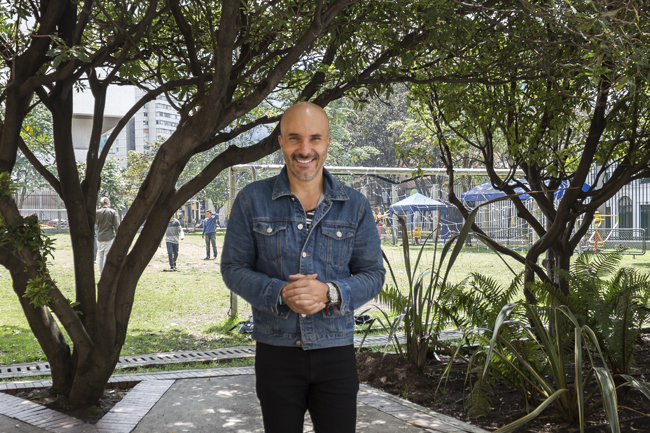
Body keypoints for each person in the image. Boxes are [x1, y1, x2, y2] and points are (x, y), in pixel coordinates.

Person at [221, 102, 385, 433]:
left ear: (327, 142)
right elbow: (233, 268)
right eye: (295, 138)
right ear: (281, 142)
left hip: (336, 351)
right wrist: (280, 292)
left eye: (315, 138)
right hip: (276, 353)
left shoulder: (355, 206)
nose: (305, 149)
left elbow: (373, 274)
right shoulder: (251, 200)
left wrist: (331, 292)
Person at [95, 197, 120, 274]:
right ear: (108, 203)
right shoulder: (113, 212)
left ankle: (101, 273)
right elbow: (116, 226)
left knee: (100, 257)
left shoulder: (97, 212)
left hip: (99, 237)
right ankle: (105, 273)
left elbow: (96, 223)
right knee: (106, 256)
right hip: (109, 237)